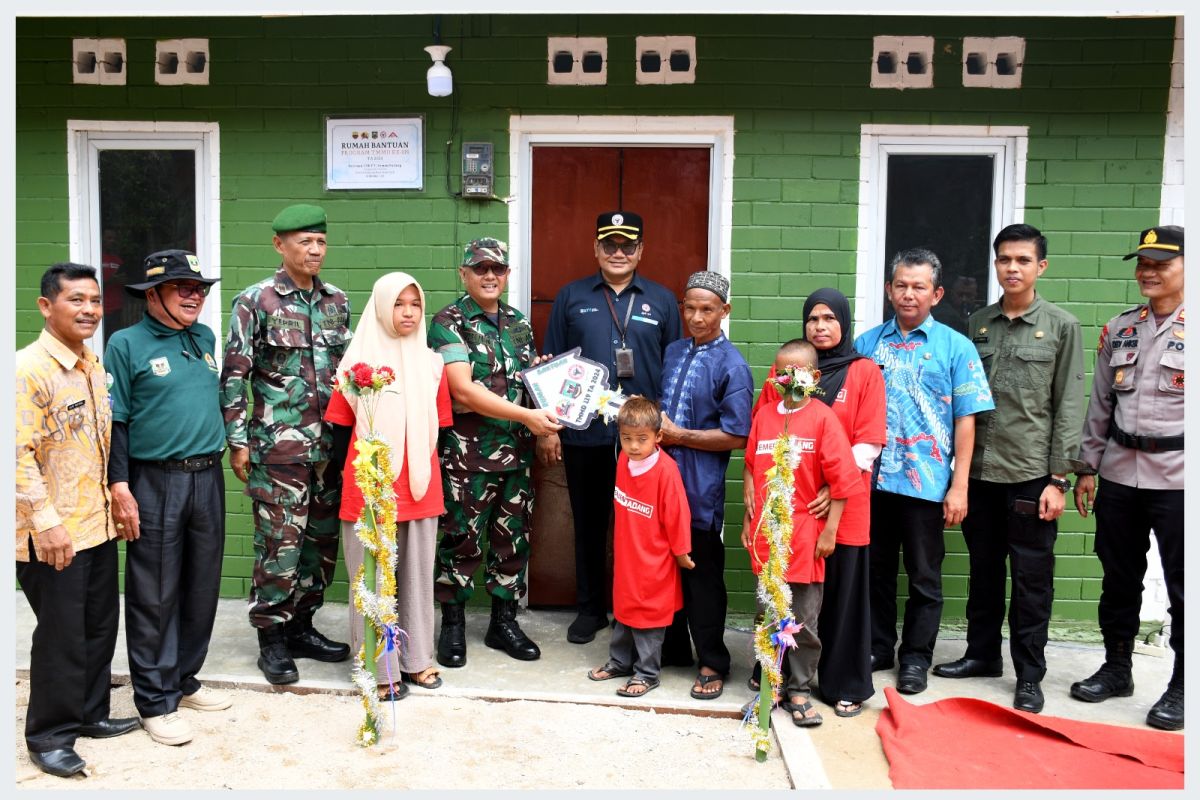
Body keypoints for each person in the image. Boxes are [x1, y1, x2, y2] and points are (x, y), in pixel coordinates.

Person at [931, 225, 1085, 714]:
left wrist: (1059, 479)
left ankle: (1030, 675)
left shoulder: (1061, 326)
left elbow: (1069, 405)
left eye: (1022, 259)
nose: (1011, 268)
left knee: (1032, 579)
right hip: (979, 474)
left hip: (1031, 476)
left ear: (1041, 266)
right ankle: (981, 655)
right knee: (983, 571)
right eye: (1004, 259)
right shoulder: (977, 324)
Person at [219, 204, 352, 684]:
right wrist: (238, 442)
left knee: (320, 544)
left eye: (320, 241)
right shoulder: (255, 301)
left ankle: (302, 626)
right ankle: (271, 639)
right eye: (303, 242)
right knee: (280, 546)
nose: (314, 250)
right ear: (280, 245)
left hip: (328, 450)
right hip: (278, 452)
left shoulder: (337, 300)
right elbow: (234, 375)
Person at [16, 263, 140, 778]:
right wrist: (45, 522)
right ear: (47, 306)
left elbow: (101, 438)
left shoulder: (91, 363)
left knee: (96, 624)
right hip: (52, 533)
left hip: (94, 525)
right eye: (76, 300)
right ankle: (49, 734)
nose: (89, 309)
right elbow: (16, 454)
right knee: (61, 634)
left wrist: (118, 490)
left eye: (94, 299)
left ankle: (90, 713)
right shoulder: (27, 370)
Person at [105, 250, 231, 746]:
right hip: (154, 480)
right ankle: (155, 701)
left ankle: (183, 678)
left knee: (201, 585)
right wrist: (120, 485)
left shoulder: (203, 338)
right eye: (182, 287)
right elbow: (116, 421)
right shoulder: (126, 343)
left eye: (199, 287)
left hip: (207, 476)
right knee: (154, 592)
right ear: (152, 294)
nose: (194, 295)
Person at [855, 248, 994, 695]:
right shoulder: (867, 344)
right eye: (901, 285)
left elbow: (966, 419)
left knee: (924, 577)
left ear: (936, 294)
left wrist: (960, 486)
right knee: (874, 572)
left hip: (927, 484)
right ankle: (879, 647)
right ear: (888, 290)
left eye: (919, 287)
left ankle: (915, 658)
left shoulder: (957, 347)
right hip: (872, 484)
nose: (908, 294)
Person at [542, 211, 683, 644]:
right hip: (585, 434)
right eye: (610, 245)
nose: (618, 253)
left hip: (641, 441)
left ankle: (632, 610)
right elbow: (550, 367)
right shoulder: (571, 296)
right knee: (587, 523)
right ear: (596, 249)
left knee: (639, 529)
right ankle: (590, 609)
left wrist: (667, 432)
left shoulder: (661, 301)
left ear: (641, 250)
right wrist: (549, 429)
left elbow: (674, 368)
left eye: (627, 245)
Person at [1070, 225, 1185, 731]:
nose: (1148, 271)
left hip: (1181, 479)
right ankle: (1117, 669)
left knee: (1185, 589)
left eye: (1161, 263)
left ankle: (1183, 686)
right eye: (1143, 263)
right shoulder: (1121, 329)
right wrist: (1086, 468)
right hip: (1119, 474)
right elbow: (1100, 405)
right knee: (1118, 580)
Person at [752, 288, 887, 718]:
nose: (820, 326)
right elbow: (763, 433)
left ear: (844, 323)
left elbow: (870, 440)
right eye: (812, 319)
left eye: (830, 318)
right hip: (791, 513)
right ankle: (782, 679)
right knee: (786, 599)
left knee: (840, 598)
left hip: (840, 508)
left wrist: (835, 485)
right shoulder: (786, 370)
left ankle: (842, 681)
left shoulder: (864, 371)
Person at [428, 238, 562, 667]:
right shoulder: (450, 321)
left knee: (513, 539)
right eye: (480, 269)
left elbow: (526, 383)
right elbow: (461, 389)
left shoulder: (519, 322)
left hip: (516, 455)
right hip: (467, 458)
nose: (490, 276)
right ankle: (452, 626)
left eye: (497, 270)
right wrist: (526, 416)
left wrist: (544, 402)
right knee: (460, 540)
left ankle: (503, 622)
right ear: (464, 275)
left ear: (507, 275)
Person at [326, 272, 452, 702]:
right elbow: (341, 429)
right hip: (370, 486)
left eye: (415, 304)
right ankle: (380, 669)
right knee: (375, 579)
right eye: (399, 304)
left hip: (419, 485)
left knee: (416, 578)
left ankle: (417, 661)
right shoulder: (356, 364)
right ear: (382, 307)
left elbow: (441, 428)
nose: (409, 313)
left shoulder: (431, 363)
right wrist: (361, 480)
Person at [742, 340, 863, 727]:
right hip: (766, 541)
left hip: (805, 539)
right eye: (781, 372)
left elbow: (843, 481)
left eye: (796, 372)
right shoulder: (763, 416)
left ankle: (800, 689)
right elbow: (750, 466)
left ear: (813, 376)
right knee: (769, 616)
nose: (787, 379)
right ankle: (770, 685)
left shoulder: (823, 418)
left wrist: (830, 531)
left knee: (803, 621)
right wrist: (748, 513)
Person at [657, 271, 753, 701]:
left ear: (724, 311)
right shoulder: (674, 352)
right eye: (690, 307)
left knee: (702, 577)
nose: (697, 317)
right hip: (661, 483)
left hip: (700, 490)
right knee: (665, 570)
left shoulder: (732, 365)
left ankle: (713, 660)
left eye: (707, 309)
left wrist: (681, 436)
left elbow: (737, 434)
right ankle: (674, 650)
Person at [587, 397, 694, 698]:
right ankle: (620, 662)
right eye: (627, 438)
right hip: (628, 553)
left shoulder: (666, 471)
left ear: (658, 437)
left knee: (649, 617)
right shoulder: (623, 460)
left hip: (655, 558)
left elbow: (677, 515)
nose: (633, 446)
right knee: (623, 611)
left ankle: (647, 673)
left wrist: (682, 552)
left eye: (642, 439)